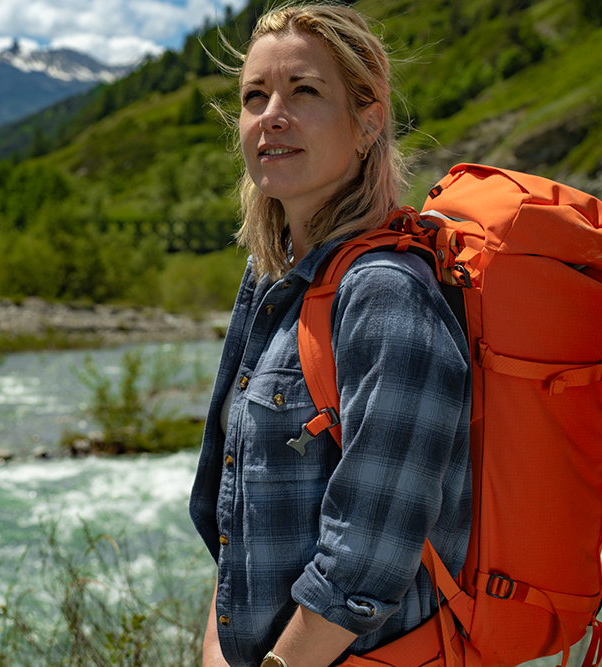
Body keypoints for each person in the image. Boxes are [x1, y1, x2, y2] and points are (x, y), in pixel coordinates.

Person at [188, 4, 472, 667]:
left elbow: (367, 556)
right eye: (254, 97)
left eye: (304, 91)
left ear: (369, 120)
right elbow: (236, 511)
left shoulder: (387, 294)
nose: (270, 115)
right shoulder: (270, 278)